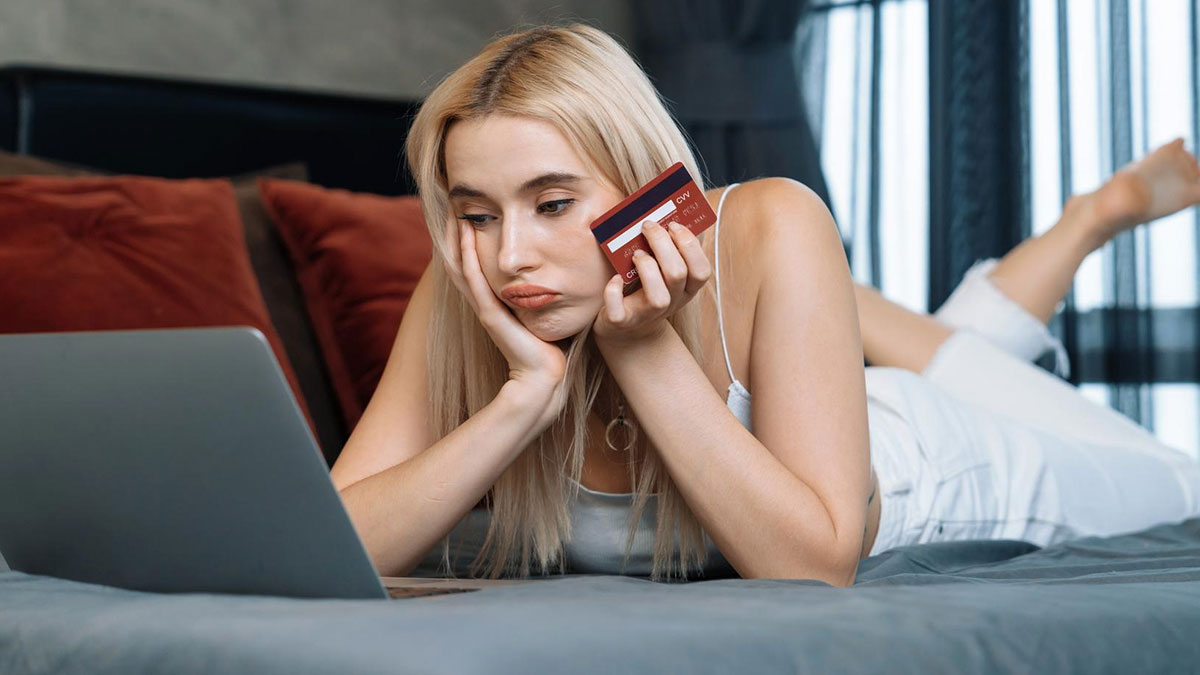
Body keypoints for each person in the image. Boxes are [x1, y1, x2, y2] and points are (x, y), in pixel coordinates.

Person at [328, 23, 1200, 586]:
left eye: (553, 204)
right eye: (477, 212)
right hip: (835, 406)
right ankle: (1076, 226)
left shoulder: (779, 215)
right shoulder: (467, 281)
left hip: (932, 457)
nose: (510, 253)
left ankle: (1089, 217)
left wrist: (642, 349)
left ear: (645, 189)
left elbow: (813, 569)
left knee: (1181, 479)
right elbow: (334, 545)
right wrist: (520, 402)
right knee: (933, 343)